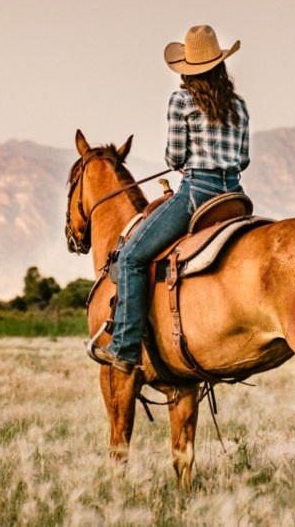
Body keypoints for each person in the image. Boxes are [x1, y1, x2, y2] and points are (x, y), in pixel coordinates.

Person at [88, 24, 250, 374]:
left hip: (198, 194)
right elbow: (244, 158)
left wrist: (187, 161)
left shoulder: (181, 100)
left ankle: (125, 348)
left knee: (131, 257)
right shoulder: (238, 105)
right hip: (235, 196)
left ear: (187, 69)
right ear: (221, 64)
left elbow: (175, 157)